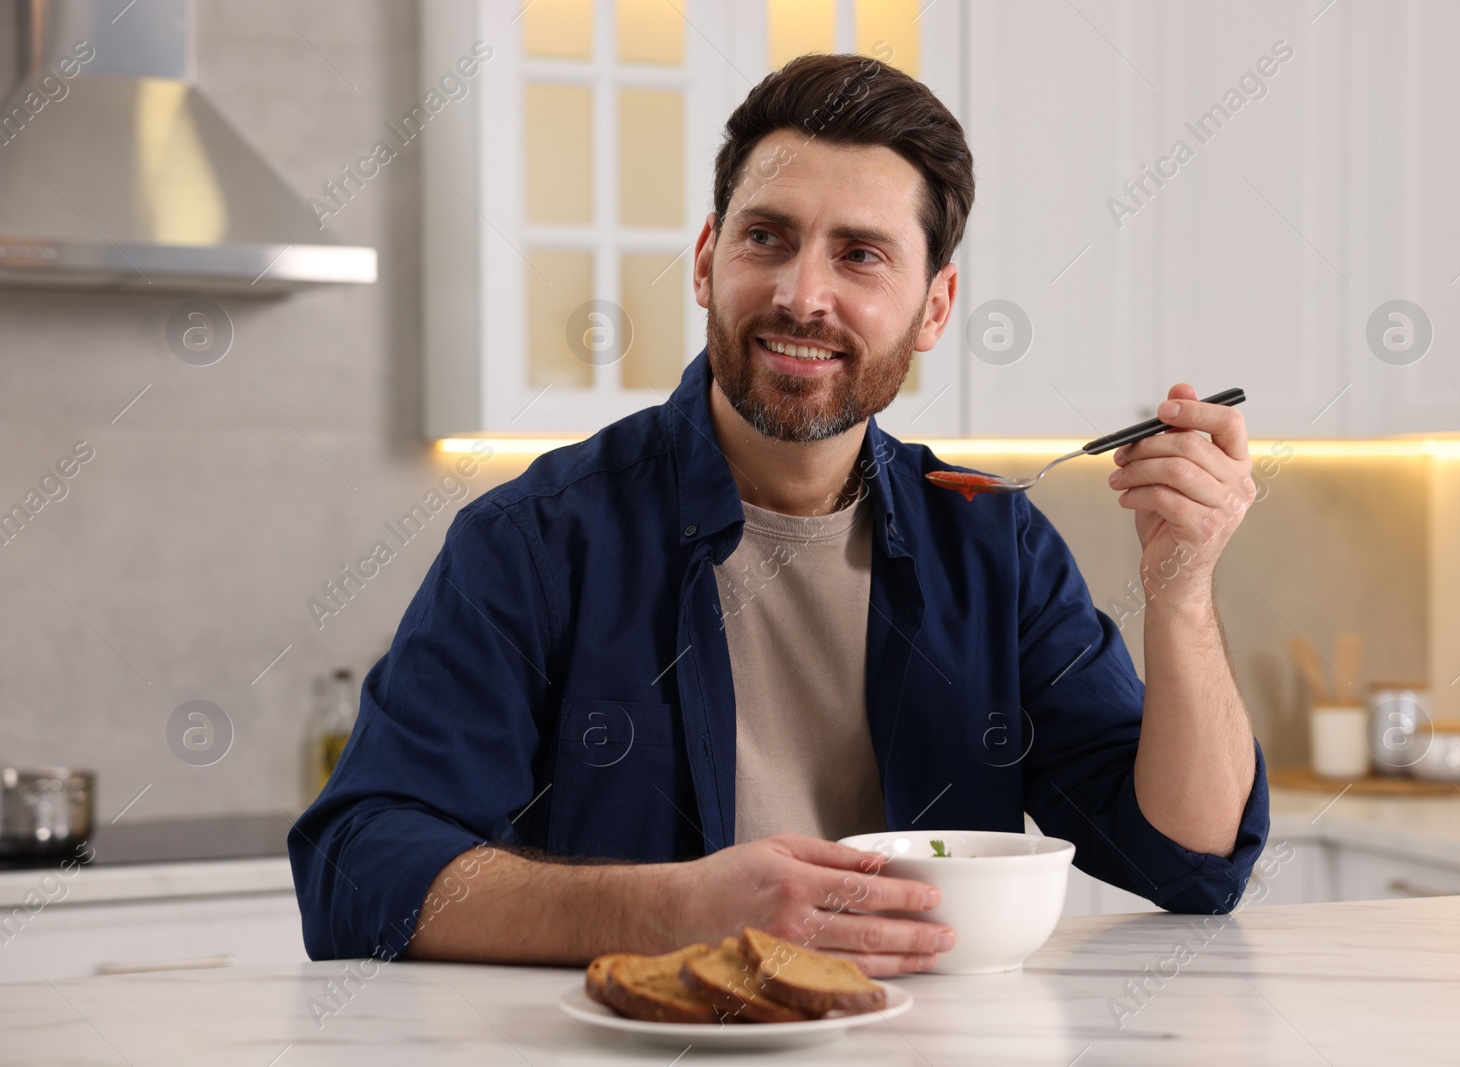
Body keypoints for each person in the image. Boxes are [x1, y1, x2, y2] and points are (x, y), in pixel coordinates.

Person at [290, 53, 1268, 977]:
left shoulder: (992, 543)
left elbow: (1186, 862)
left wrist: (1180, 593)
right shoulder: (538, 539)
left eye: (860, 255)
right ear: (708, 259)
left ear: (933, 308)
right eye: (768, 237)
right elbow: (356, 866)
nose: (804, 295)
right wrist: (671, 909)